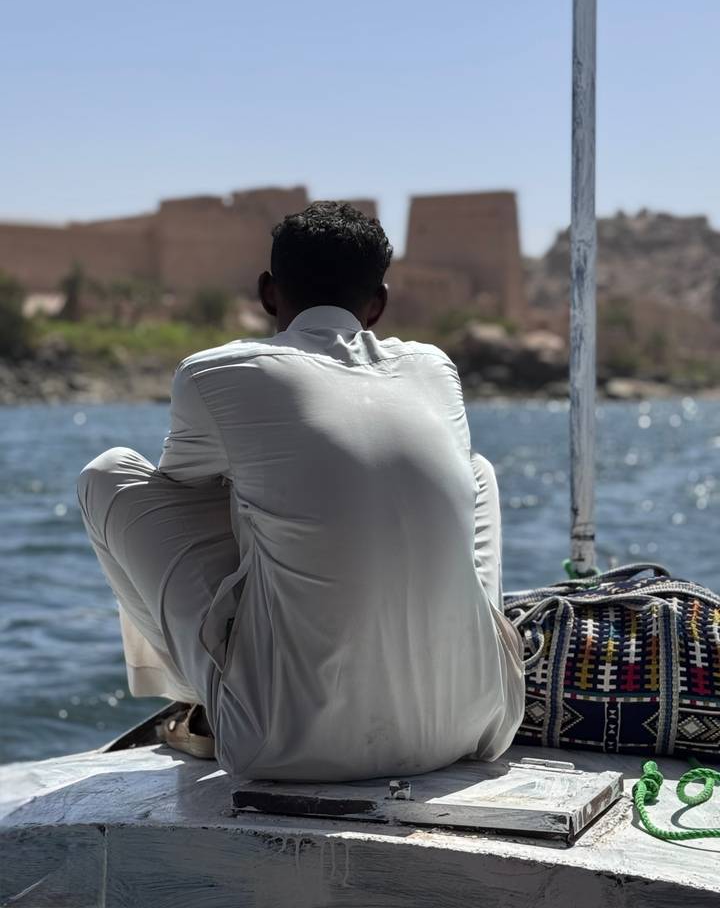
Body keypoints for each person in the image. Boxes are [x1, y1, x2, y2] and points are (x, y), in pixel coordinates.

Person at [77, 201, 525, 781]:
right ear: (379, 302)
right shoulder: (434, 368)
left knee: (108, 475)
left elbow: (182, 493)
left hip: (284, 745)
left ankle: (206, 699)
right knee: (477, 473)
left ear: (268, 293)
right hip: (477, 725)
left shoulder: (214, 372)